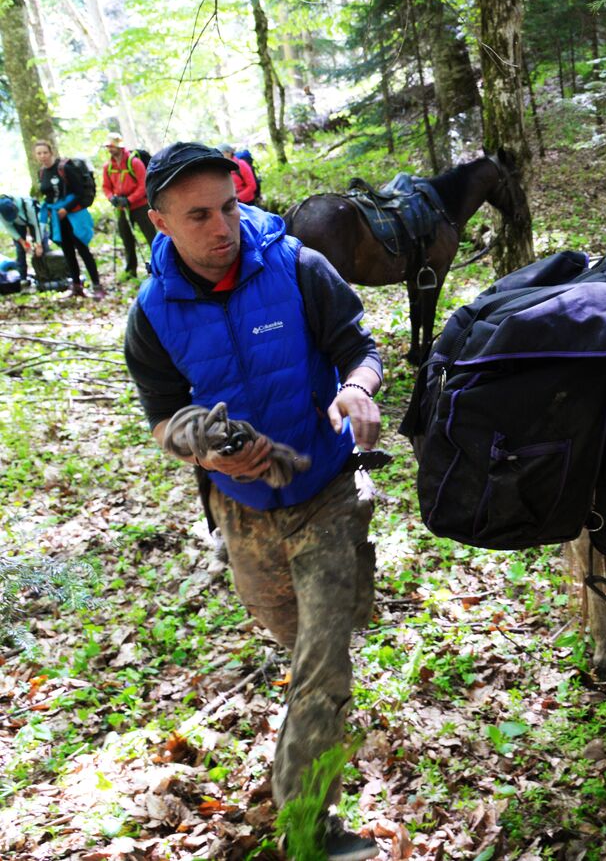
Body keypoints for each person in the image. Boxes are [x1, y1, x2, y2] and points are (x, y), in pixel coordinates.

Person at [123, 143, 383, 861]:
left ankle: (308, 826)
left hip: (325, 490)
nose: (221, 227)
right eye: (199, 216)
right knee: (296, 646)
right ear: (162, 223)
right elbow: (162, 418)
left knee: (323, 667)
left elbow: (361, 347)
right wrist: (204, 448)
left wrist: (357, 387)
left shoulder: (299, 268)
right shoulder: (151, 316)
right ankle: (314, 721)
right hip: (242, 511)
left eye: (229, 208)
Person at [34, 140, 105, 299]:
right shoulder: (42, 173)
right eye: (39, 153)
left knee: (83, 250)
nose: (42, 156)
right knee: (68, 253)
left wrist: (66, 209)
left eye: (45, 152)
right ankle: (76, 286)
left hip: (74, 216)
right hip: (58, 220)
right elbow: (48, 195)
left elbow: (79, 191)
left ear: (51, 152)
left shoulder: (64, 168)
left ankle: (97, 286)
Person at [101, 135, 157, 277]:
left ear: (119, 146)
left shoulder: (135, 163)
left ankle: (159, 266)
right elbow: (106, 187)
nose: (109, 149)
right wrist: (111, 198)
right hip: (121, 208)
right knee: (127, 239)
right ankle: (131, 270)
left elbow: (143, 185)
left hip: (140, 206)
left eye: (111, 146)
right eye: (108, 146)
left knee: (152, 237)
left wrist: (130, 200)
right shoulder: (108, 167)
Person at [0, 194, 44, 284]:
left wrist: (39, 244)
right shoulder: (2, 211)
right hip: (18, 226)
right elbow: (9, 227)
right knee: (20, 250)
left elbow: (37, 225)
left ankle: (45, 276)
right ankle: (23, 279)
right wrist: (22, 241)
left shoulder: (27, 205)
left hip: (32, 221)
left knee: (42, 248)